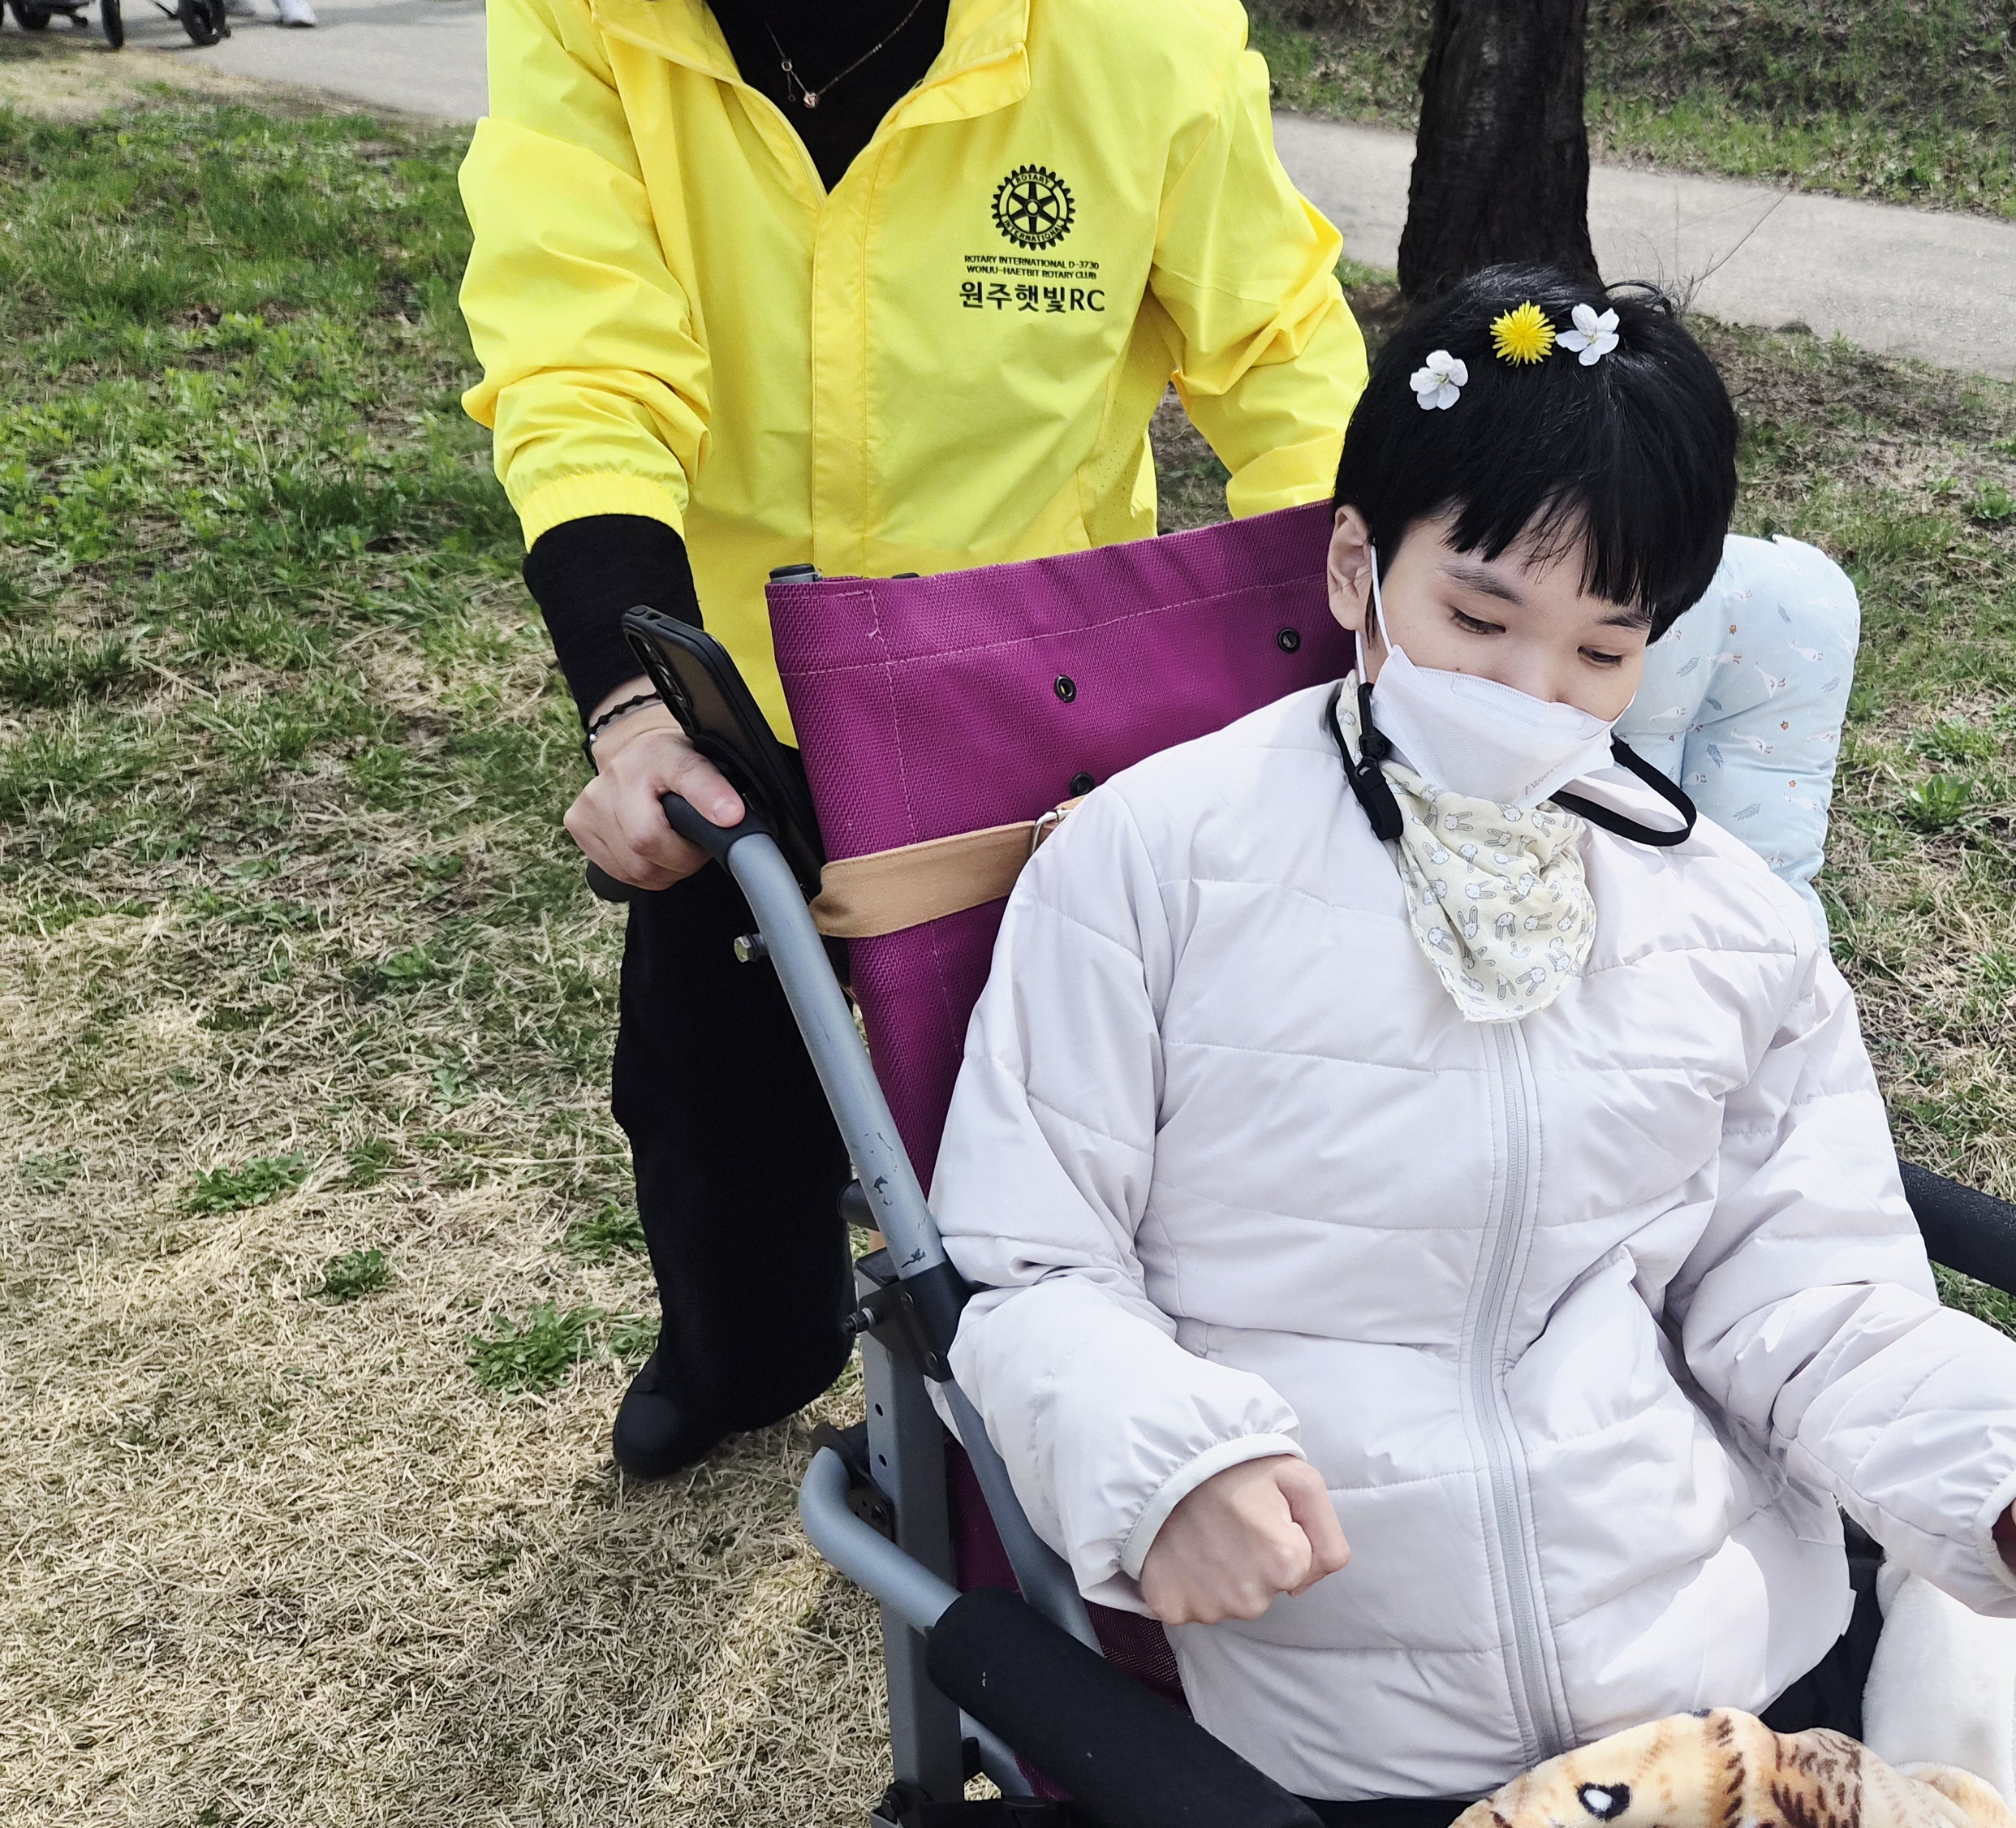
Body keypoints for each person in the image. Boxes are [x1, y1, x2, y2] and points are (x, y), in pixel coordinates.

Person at [933, 265, 2016, 1826]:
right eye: (1477, 619)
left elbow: (1812, 1286)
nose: (1530, 693)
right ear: (1354, 568)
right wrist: (1167, 1464)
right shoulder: (1150, 863)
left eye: (1602, 654)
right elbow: (1032, 1267)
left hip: (1752, 1692)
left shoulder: (1723, 919)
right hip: (1376, 1742)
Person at [456, 0, 1370, 1480]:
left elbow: (1281, 355)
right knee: (708, 1096)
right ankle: (743, 1355)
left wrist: (1359, 632)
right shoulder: (589, 18)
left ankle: (1037, 1422)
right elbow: (580, 359)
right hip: (738, 691)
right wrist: (630, 704)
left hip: (1022, 687)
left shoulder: (1142, 31)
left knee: (1046, 1105)